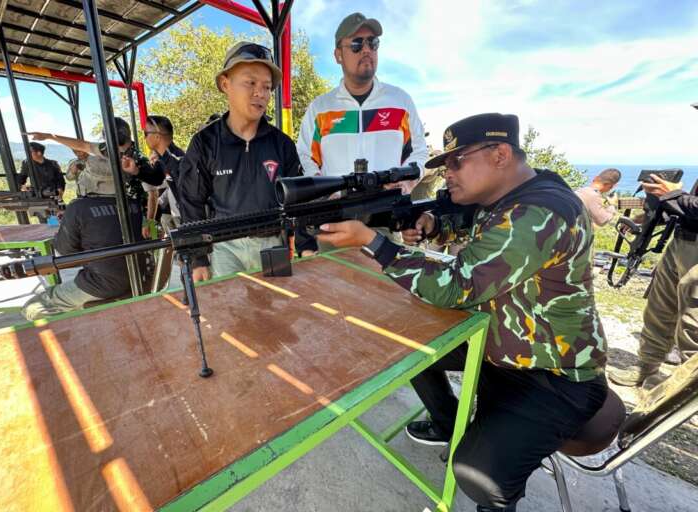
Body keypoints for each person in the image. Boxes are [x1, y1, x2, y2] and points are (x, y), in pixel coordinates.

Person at [316, 113, 608, 511]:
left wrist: (376, 245)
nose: (448, 173)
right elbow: (476, 222)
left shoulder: (540, 213)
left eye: (457, 162)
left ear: (501, 154)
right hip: (499, 347)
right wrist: (432, 222)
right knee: (407, 350)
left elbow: (458, 284)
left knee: (478, 474)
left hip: (554, 375)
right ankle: (448, 425)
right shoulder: (512, 195)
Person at [178, 41, 316, 281]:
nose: (260, 93)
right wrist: (198, 258)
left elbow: (298, 199)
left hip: (273, 244)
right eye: (250, 82)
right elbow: (191, 202)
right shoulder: (205, 143)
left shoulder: (282, 144)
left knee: (278, 310)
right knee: (229, 315)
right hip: (224, 248)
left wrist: (306, 244)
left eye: (267, 86)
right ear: (225, 84)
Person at [296, 12, 428, 192]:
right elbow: (305, 158)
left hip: (389, 214)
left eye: (372, 43)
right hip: (338, 215)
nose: (367, 49)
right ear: (338, 55)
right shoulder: (319, 109)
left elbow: (419, 153)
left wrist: (405, 184)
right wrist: (326, 195)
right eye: (357, 44)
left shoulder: (400, 102)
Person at [21, 162, 143, 320]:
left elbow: (66, 252)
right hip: (138, 276)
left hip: (101, 284)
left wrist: (67, 224)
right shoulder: (134, 204)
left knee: (31, 308)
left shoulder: (78, 207)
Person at [608, 175, 698, 387]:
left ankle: (688, 394)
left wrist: (673, 193)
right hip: (682, 240)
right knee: (659, 310)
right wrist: (650, 215)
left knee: (693, 323)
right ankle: (647, 367)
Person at [27, 117, 164, 209]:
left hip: (136, 209)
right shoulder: (107, 149)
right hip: (115, 206)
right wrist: (50, 136)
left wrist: (149, 220)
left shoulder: (139, 159)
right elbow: (83, 145)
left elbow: (154, 189)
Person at [144, 115, 184, 235]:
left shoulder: (177, 159)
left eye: (146, 133)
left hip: (186, 217)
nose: (144, 138)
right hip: (174, 214)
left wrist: (149, 223)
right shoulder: (162, 161)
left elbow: (153, 194)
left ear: (157, 136)